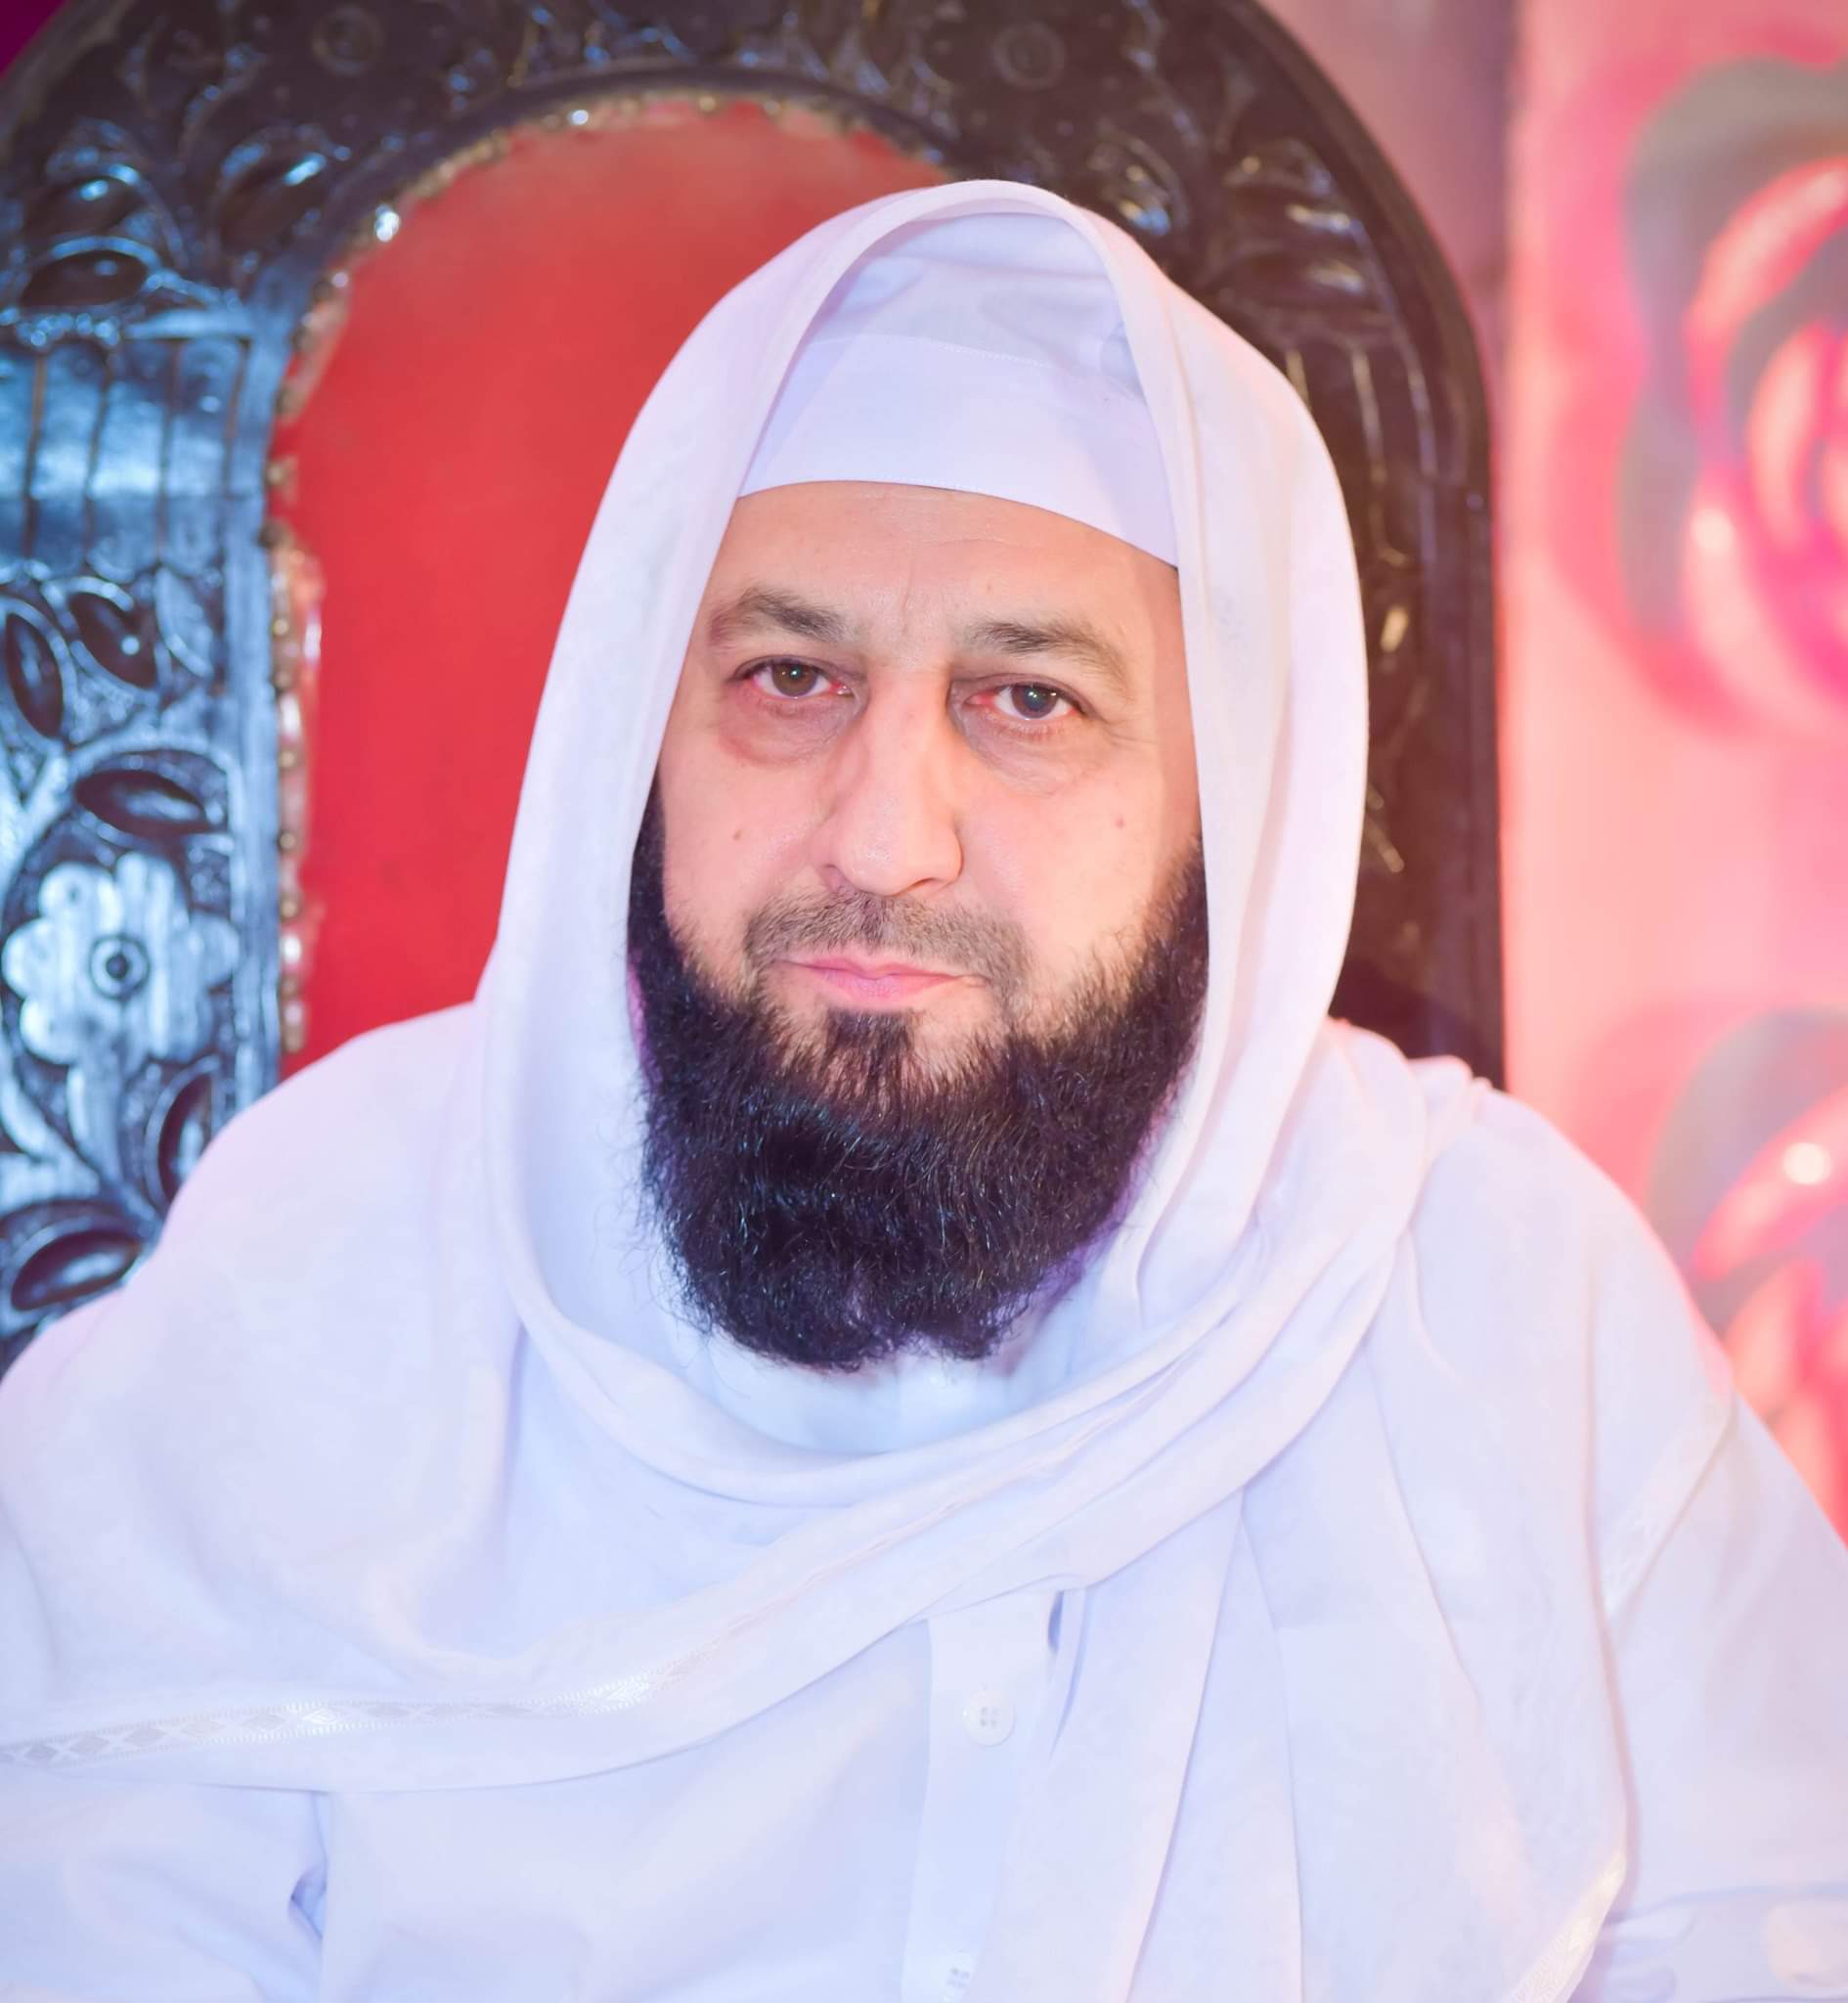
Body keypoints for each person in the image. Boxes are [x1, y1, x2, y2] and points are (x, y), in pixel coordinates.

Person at [0, 181, 1844, 2003]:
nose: (881, 840)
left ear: (1226, 801)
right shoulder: (325, 1265)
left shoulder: (1487, 1290)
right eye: (788, 679)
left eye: (1025, 701)